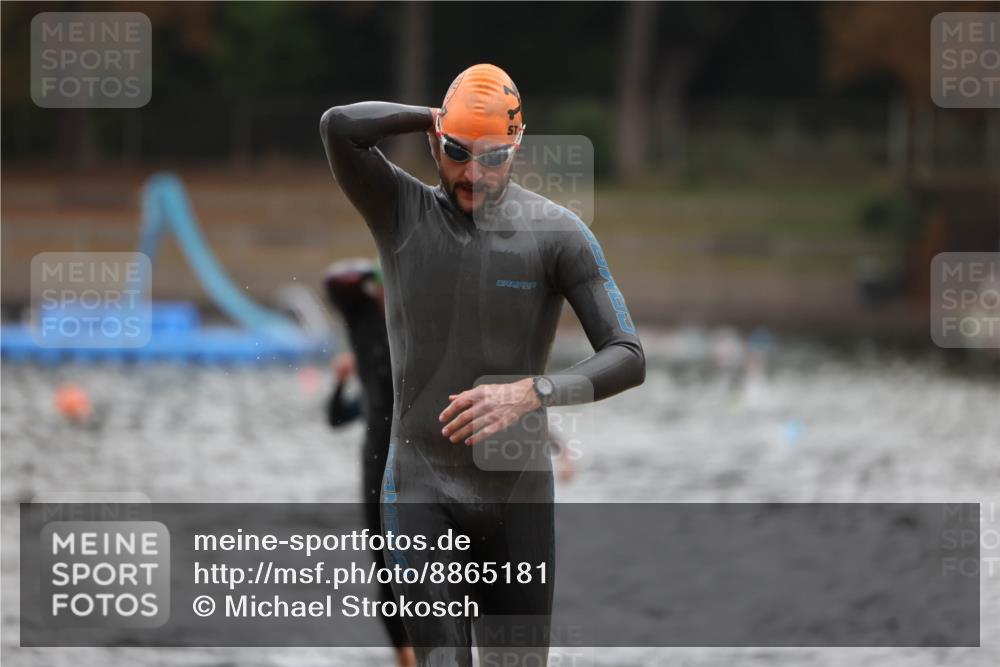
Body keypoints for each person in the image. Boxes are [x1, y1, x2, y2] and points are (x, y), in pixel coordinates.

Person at [320, 63, 644, 666]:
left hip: (516, 495)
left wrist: (533, 392)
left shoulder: (558, 234)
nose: (472, 174)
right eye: (458, 153)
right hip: (420, 486)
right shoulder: (400, 212)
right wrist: (435, 115)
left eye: (492, 157)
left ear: (516, 148)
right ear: (434, 142)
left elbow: (628, 356)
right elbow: (339, 127)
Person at [323, 259, 415, 667]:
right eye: (379, 286)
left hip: (423, 458)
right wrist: (375, 271)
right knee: (387, 566)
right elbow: (334, 281)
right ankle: (404, 656)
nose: (384, 293)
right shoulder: (362, 324)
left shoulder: (419, 320)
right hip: (378, 461)